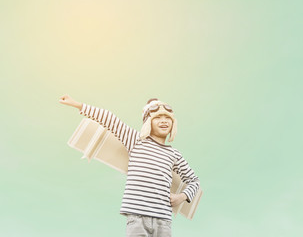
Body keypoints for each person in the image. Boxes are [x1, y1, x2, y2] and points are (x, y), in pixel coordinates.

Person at [59, 94, 200, 237]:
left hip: (163, 220)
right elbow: (109, 119)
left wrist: (181, 197)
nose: (163, 121)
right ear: (148, 122)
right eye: (157, 117)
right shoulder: (135, 141)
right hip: (137, 218)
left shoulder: (174, 154)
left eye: (167, 118)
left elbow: (194, 181)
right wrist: (78, 105)